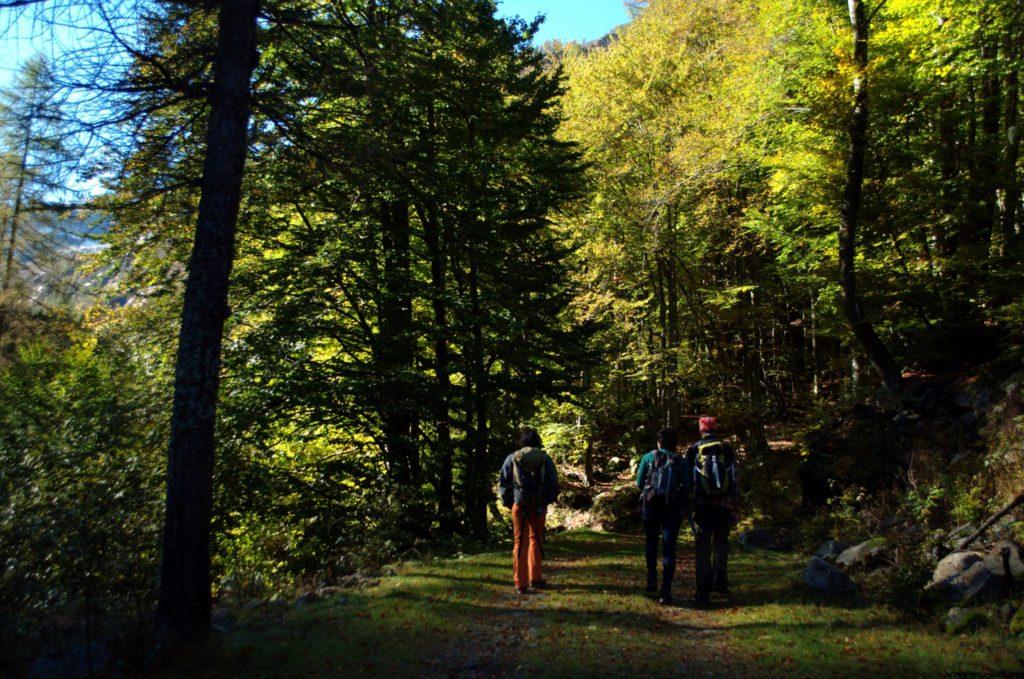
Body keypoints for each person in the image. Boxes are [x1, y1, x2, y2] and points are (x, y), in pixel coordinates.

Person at [685, 416, 739, 608]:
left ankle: (703, 589)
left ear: (701, 430)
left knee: (703, 546)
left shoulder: (693, 450)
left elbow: (688, 479)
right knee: (721, 543)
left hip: (703, 505)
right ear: (715, 429)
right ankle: (721, 583)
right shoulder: (726, 449)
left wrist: (689, 502)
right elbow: (734, 477)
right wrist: (734, 503)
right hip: (724, 505)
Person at [498, 427, 559, 595]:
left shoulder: (512, 458)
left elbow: (503, 483)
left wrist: (509, 502)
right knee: (536, 540)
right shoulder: (545, 459)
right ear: (538, 441)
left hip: (519, 506)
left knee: (520, 542)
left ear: (522, 441)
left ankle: (520, 583)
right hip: (538, 506)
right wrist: (546, 501)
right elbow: (553, 484)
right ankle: (536, 578)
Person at [636, 427, 690, 605]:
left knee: (651, 542)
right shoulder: (679, 460)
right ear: (675, 444)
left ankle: (651, 580)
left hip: (651, 506)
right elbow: (688, 485)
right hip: (672, 508)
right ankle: (666, 590)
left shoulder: (648, 457)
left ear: (659, 442)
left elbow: (638, 483)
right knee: (669, 548)